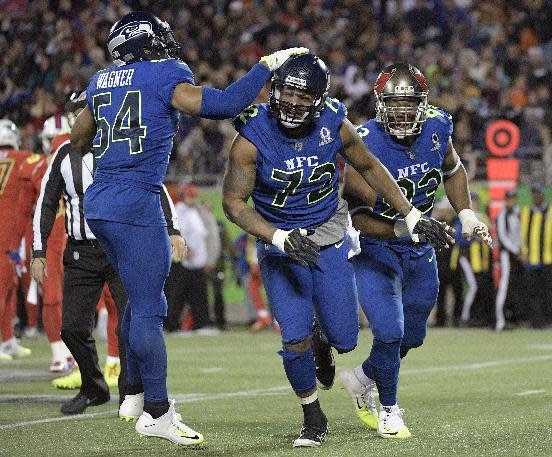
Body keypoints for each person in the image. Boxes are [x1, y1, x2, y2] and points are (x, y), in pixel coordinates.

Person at [70, 10, 309, 446]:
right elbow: (226, 105)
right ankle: (157, 412)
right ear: (145, 43)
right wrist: (265, 66)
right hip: (136, 199)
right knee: (149, 306)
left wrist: (99, 110)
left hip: (99, 201)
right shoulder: (165, 73)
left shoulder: (100, 81)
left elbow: (79, 137)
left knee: (134, 302)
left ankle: (135, 394)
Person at [222, 54, 449, 448]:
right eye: (287, 92)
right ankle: (312, 416)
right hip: (280, 242)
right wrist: (277, 237)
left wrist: (410, 215)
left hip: (327, 234)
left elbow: (371, 167)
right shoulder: (251, 137)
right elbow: (233, 203)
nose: (293, 102)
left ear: (319, 99)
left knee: (346, 339)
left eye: (303, 95)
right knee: (292, 338)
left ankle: (322, 339)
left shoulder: (332, 121)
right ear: (273, 92)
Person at [338, 63, 492, 439]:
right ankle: (389, 410)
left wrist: (467, 213)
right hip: (376, 247)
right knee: (389, 331)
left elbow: (453, 170)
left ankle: (362, 378)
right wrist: (401, 225)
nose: (403, 113)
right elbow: (356, 215)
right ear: (380, 104)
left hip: (420, 247)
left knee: (413, 336)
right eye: (394, 104)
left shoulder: (439, 126)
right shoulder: (362, 140)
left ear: (423, 104)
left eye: (410, 104)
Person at [30, 91, 186, 414]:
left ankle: (131, 395)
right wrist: (38, 249)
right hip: (80, 253)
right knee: (71, 327)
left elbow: (154, 186)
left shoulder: (123, 146)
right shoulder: (62, 155)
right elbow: (47, 202)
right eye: (80, 111)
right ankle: (94, 387)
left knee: (129, 325)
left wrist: (172, 229)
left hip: (120, 247)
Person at [0, 119, 33, 360]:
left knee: (9, 287)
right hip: (7, 237)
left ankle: (8, 339)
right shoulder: (22, 158)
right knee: (4, 289)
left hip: (9, 239)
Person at [520, 183, 552, 328]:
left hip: (548, 259)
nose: (536, 196)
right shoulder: (526, 213)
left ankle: (548, 320)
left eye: (538, 193)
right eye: (534, 193)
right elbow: (519, 235)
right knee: (533, 293)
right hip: (531, 259)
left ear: (543, 194)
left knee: (548, 292)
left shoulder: (550, 211)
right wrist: (522, 252)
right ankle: (536, 322)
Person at [495, 189, 524, 331]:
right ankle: (500, 321)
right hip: (507, 254)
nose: (511, 201)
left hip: (518, 254)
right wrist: (516, 250)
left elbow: (521, 234)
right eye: (509, 199)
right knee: (504, 284)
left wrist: (522, 250)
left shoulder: (519, 213)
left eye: (513, 198)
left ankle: (514, 316)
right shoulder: (502, 215)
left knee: (517, 286)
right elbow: (503, 238)